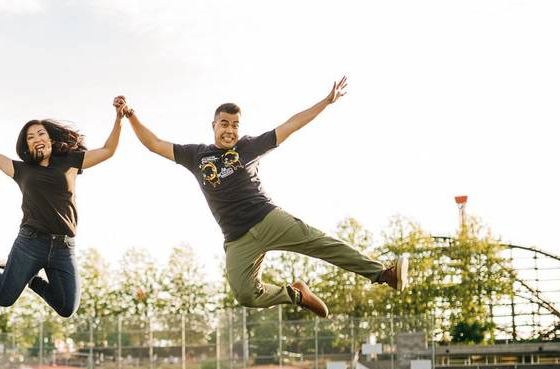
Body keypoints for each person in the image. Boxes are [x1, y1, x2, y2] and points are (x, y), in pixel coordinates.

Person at [116, 78, 408, 318]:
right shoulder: (195, 155)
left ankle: (383, 274)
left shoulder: (249, 146)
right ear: (214, 125)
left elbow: (291, 125)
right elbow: (153, 144)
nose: (230, 130)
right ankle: (296, 294)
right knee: (244, 294)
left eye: (235, 125)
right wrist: (131, 115)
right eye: (224, 123)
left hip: (268, 218)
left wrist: (325, 101)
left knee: (321, 243)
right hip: (237, 238)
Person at [0, 98, 125, 317]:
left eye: (41, 133)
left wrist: (119, 119)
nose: (37, 138)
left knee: (67, 307)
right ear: (27, 146)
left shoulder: (69, 161)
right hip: (31, 242)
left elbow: (108, 150)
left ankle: (31, 279)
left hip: (63, 247)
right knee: (4, 297)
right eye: (30, 137)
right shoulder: (21, 170)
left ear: (50, 138)